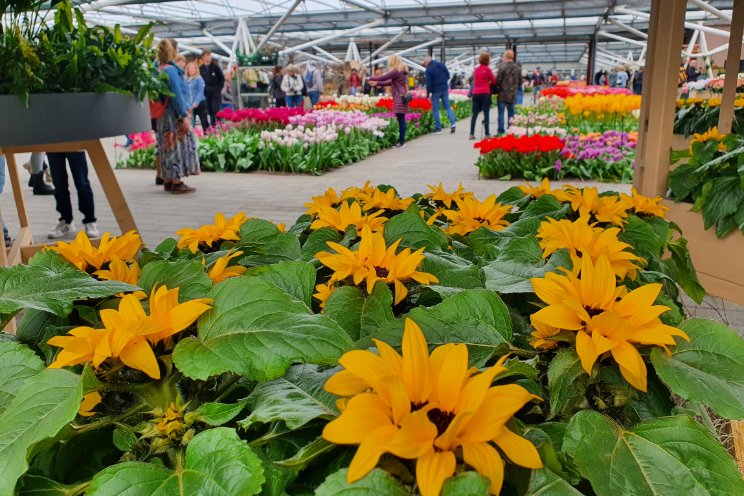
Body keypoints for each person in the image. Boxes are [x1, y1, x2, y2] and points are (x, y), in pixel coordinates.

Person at [156, 39, 199, 194]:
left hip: (162, 115)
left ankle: (167, 180)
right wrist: (184, 115)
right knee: (176, 146)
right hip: (173, 115)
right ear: (173, 51)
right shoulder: (171, 71)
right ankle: (177, 182)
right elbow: (176, 95)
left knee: (166, 145)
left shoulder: (159, 69)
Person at [46, 151, 98, 239]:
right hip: (52, 142)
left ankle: (90, 221)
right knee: (59, 185)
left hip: (75, 141)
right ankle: (66, 222)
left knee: (82, 183)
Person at [367, 55, 409, 148]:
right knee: (401, 119)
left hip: (399, 97)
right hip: (401, 96)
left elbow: (384, 77)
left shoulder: (396, 70)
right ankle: (401, 141)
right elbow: (390, 82)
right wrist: (377, 83)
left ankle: (401, 142)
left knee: (401, 119)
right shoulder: (401, 70)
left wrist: (370, 78)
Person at [423, 56, 456, 134]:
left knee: (435, 109)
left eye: (425, 64)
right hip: (444, 88)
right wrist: (444, 82)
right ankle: (453, 123)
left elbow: (428, 83)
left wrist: (428, 94)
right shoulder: (441, 64)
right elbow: (448, 75)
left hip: (436, 91)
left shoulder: (429, 69)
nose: (425, 65)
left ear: (427, 62)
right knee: (448, 107)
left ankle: (438, 129)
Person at [469, 52, 496, 140]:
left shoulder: (476, 70)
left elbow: (474, 80)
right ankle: (487, 133)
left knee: (475, 114)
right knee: (486, 113)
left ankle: (471, 133)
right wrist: (488, 82)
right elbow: (494, 81)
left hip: (476, 93)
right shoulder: (487, 69)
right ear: (487, 60)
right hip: (485, 93)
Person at [495, 49, 521, 135]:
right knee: (511, 114)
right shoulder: (517, 68)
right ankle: (511, 131)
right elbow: (520, 81)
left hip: (502, 94)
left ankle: (500, 132)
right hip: (513, 95)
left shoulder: (502, 67)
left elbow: (497, 81)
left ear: (505, 56)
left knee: (501, 114)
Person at [200, 50, 225, 128]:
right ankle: (212, 127)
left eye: (210, 55)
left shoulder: (215, 67)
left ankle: (219, 126)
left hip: (216, 93)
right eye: (207, 55)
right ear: (203, 57)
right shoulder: (201, 68)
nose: (209, 57)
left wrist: (218, 89)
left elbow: (222, 79)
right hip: (206, 93)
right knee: (209, 110)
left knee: (216, 109)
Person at [186, 62, 208, 130]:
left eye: (193, 68)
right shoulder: (185, 79)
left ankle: (207, 136)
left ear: (196, 70)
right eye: (190, 68)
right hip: (190, 104)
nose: (192, 70)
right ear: (187, 69)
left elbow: (200, 91)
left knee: (204, 121)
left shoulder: (199, 78)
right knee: (191, 123)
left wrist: (196, 102)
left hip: (200, 103)